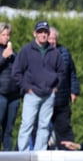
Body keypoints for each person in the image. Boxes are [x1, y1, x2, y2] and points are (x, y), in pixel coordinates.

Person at [12, 20, 63, 151]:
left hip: (48, 94)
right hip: (31, 94)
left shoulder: (54, 52)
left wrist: (55, 88)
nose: (43, 35)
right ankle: (22, 154)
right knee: (27, 124)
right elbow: (16, 72)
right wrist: (26, 88)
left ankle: (40, 154)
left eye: (45, 32)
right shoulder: (26, 50)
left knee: (44, 125)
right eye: (40, 32)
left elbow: (61, 72)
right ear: (35, 33)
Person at [47, 26, 80, 148]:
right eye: (50, 38)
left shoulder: (65, 52)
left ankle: (67, 152)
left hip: (62, 98)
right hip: (44, 97)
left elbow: (72, 73)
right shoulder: (39, 52)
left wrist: (74, 91)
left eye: (54, 38)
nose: (52, 41)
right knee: (39, 127)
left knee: (64, 128)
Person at [0, 23, 21, 151]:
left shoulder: (14, 53)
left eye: (8, 35)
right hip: (1, 94)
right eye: (3, 35)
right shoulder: (5, 53)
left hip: (13, 96)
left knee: (9, 129)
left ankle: (8, 156)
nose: (6, 37)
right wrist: (3, 57)